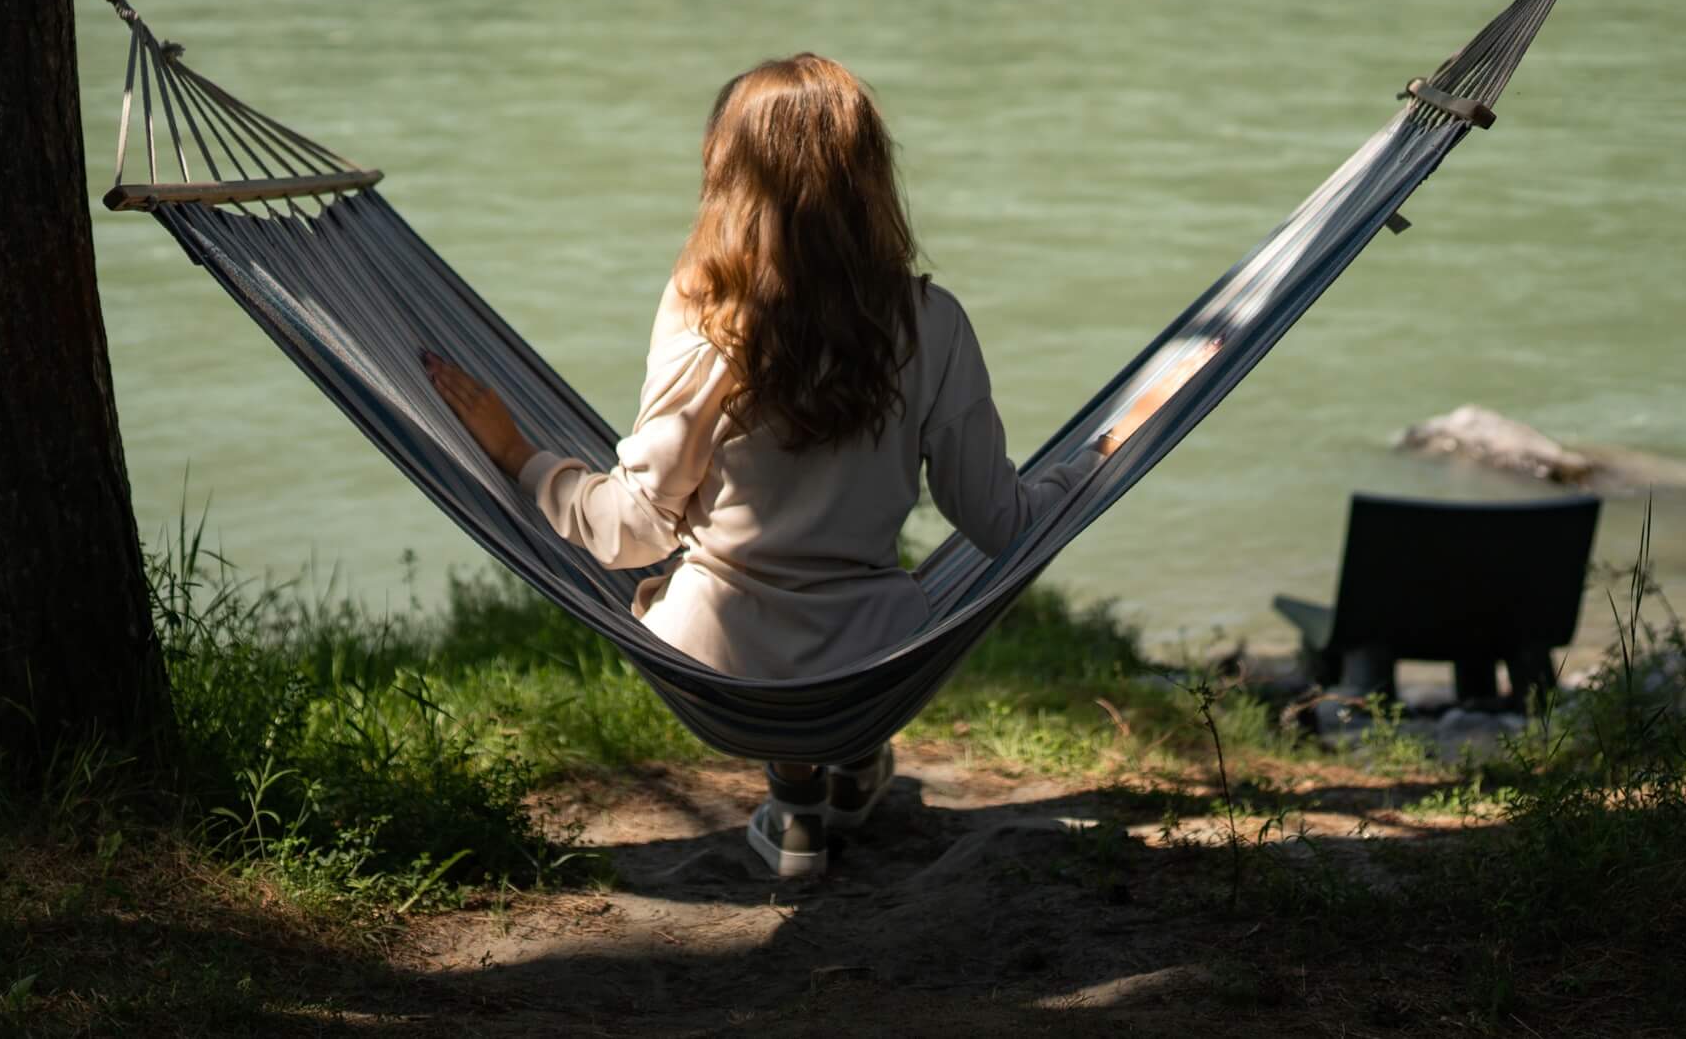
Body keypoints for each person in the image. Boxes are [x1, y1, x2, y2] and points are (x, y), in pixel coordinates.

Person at [427, 53, 1211, 877]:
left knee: (703, 587)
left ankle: (796, 799)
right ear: (871, 180)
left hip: (720, 667)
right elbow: (999, 520)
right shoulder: (932, 325)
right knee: (848, 640)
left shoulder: (707, 320)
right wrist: (1100, 455)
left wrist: (516, 452)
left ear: (727, 179)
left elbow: (631, 529)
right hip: (872, 663)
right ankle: (839, 764)